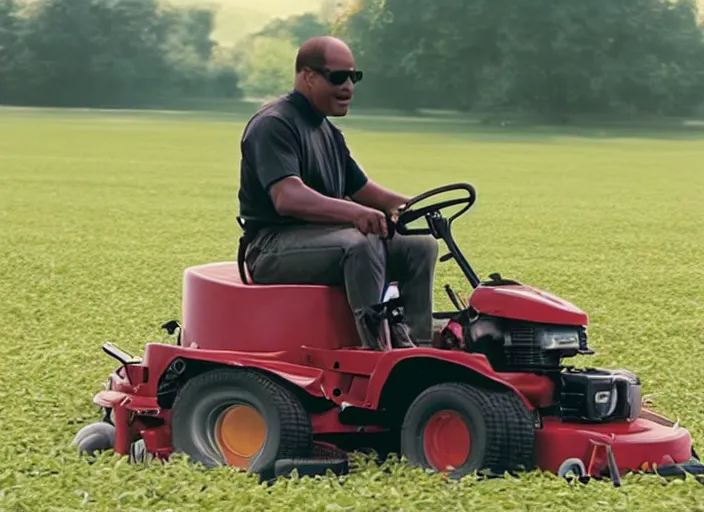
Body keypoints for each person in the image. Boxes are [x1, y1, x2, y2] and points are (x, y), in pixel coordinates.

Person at [236, 36, 438, 349]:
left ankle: (418, 346)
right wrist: (356, 214)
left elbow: (363, 189)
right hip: (270, 246)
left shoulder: (328, 132)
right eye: (338, 77)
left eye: (353, 77)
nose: (348, 87)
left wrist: (414, 206)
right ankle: (378, 350)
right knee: (360, 244)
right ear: (308, 76)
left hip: (320, 238)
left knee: (418, 246)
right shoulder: (273, 125)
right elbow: (288, 197)